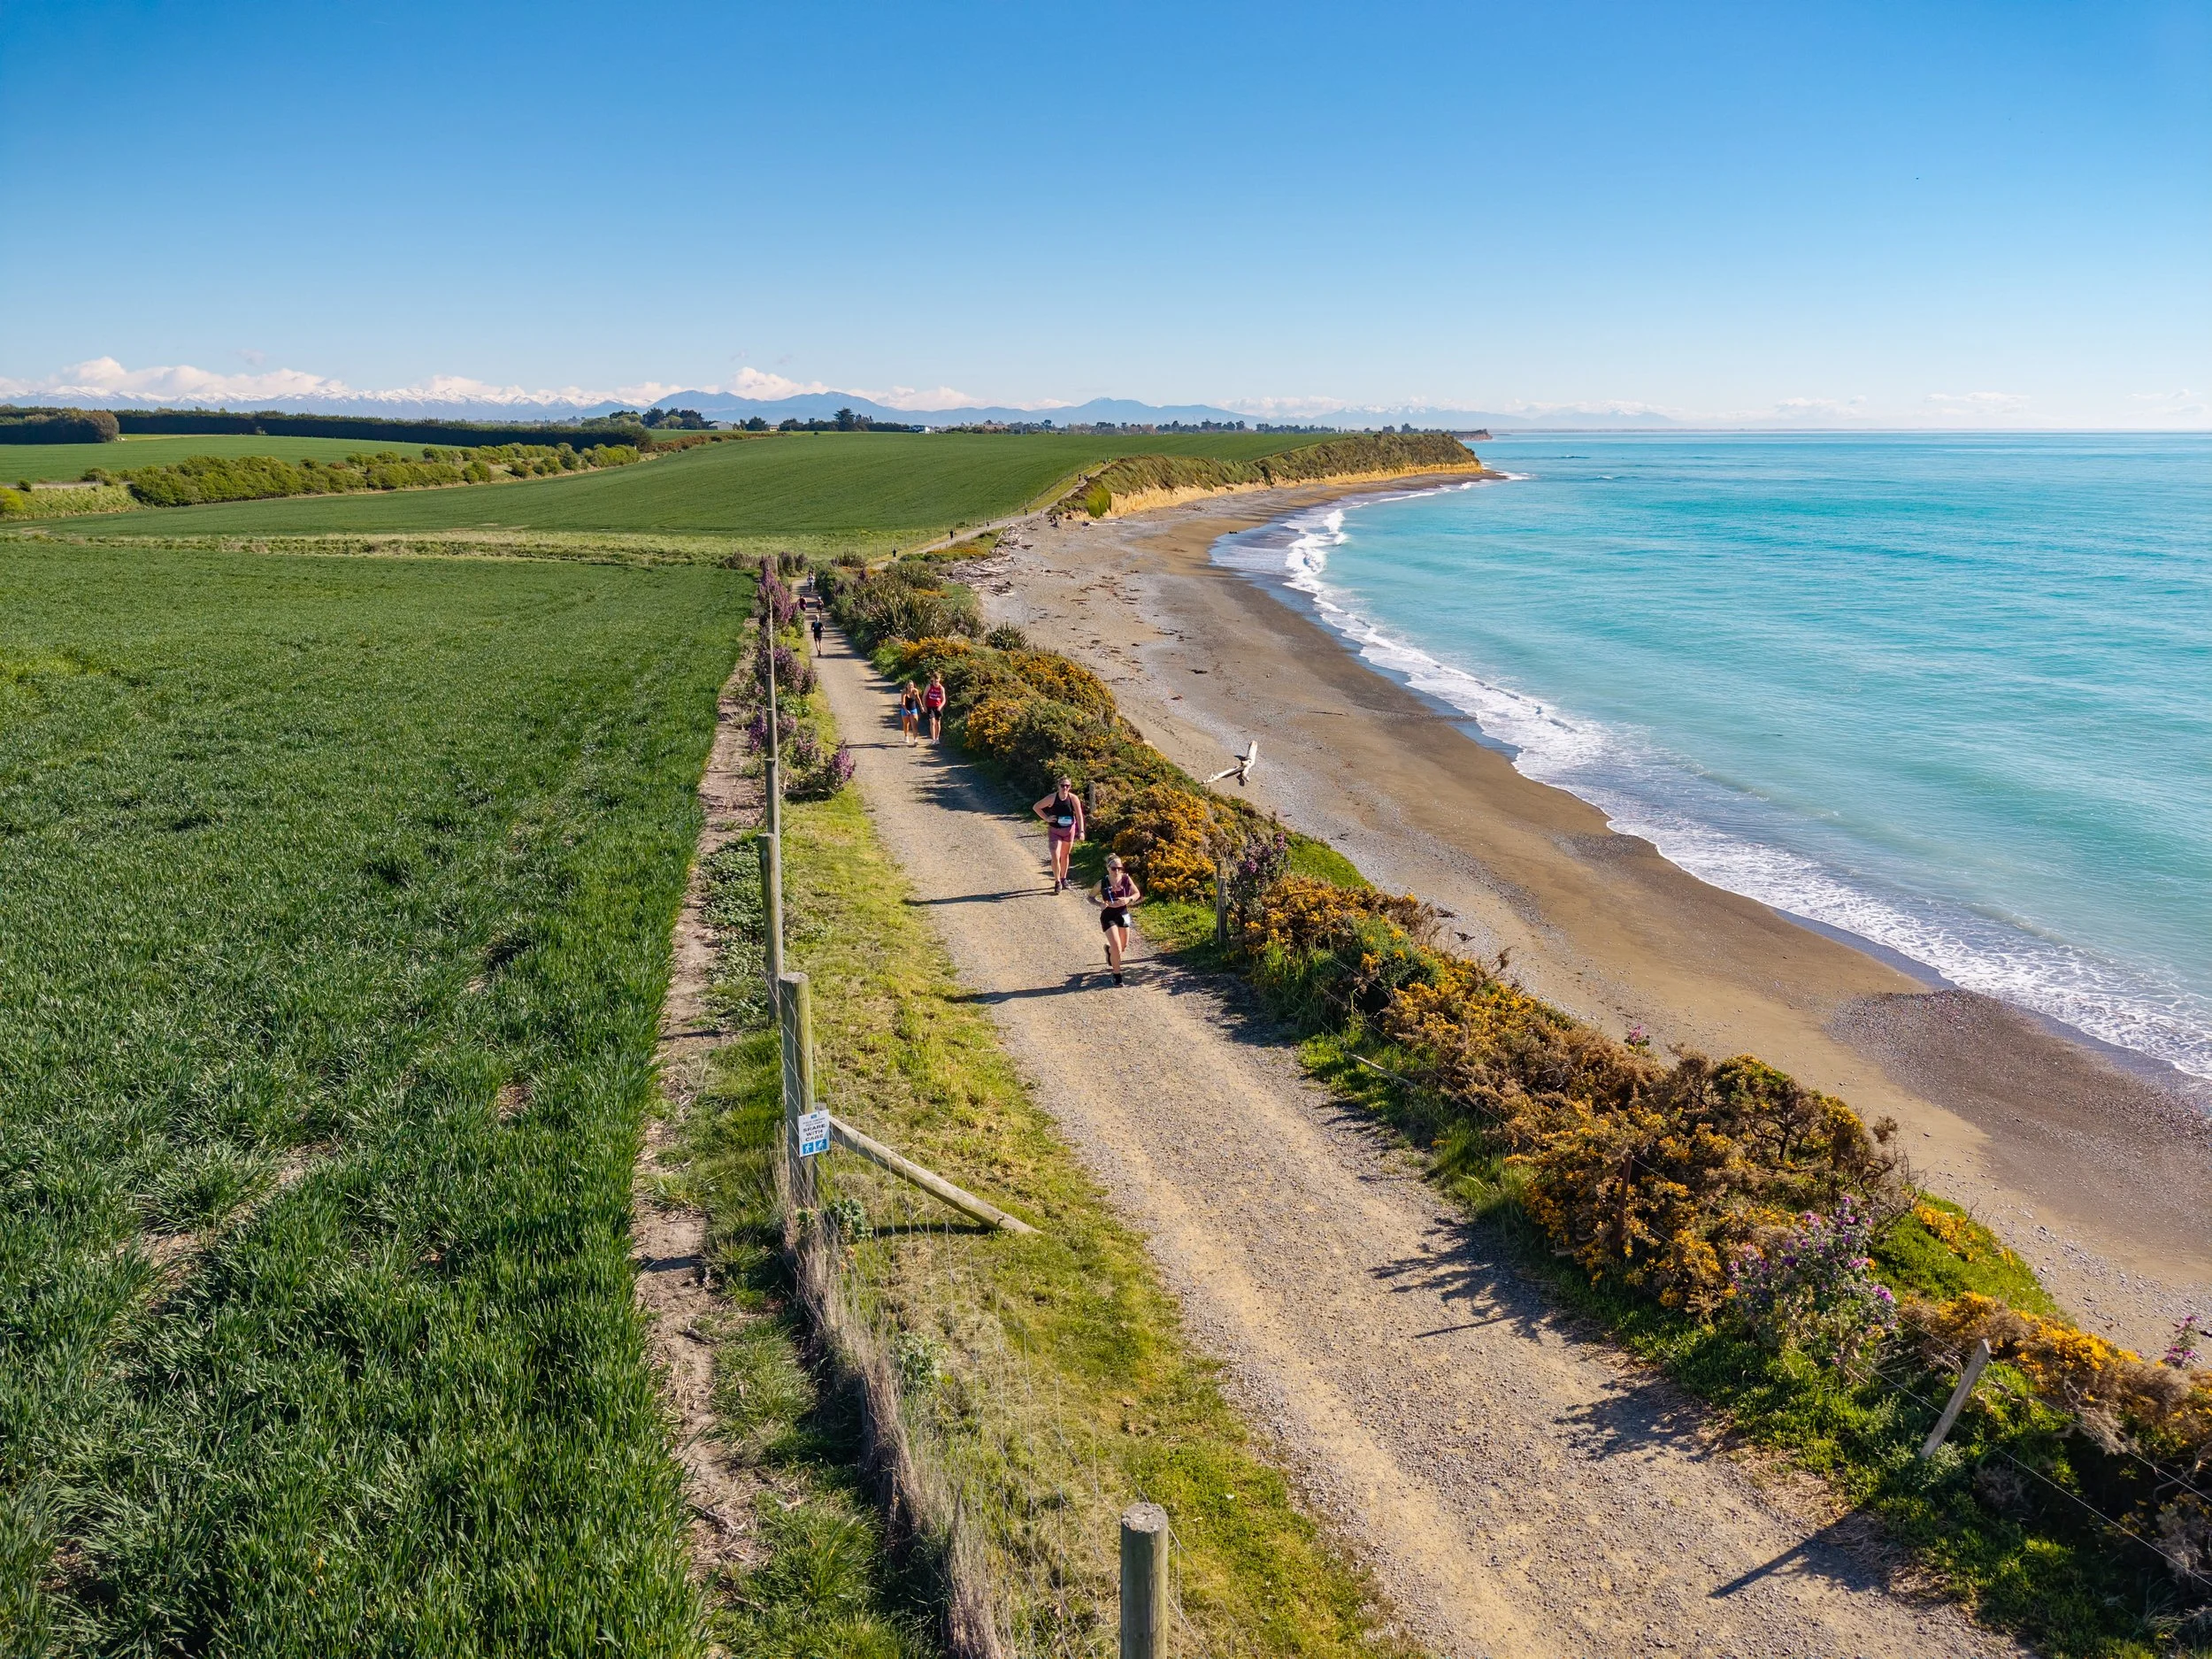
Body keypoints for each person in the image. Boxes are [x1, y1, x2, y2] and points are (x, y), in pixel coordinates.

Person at [1032, 777, 1084, 891]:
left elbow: (1079, 816)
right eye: (1063, 785)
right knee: (1055, 856)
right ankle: (1057, 882)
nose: (1065, 788)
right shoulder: (1051, 798)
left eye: (1067, 786)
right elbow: (1036, 807)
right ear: (1058, 786)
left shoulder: (1073, 798)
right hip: (1054, 831)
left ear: (1070, 787)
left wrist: (1081, 831)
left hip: (1069, 831)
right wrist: (1046, 818)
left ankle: (1064, 878)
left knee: (1065, 855)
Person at [1097, 854, 1141, 985]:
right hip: (1108, 916)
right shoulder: (1102, 882)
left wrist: (1128, 899)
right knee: (1117, 947)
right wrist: (1099, 904)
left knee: (1123, 947)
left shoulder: (1126, 879)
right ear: (1108, 868)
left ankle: (1109, 951)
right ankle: (1117, 976)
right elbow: (1090, 897)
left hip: (1124, 914)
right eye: (1113, 868)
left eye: (1119, 868)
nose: (1116, 871)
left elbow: (1137, 893)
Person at [923, 672, 947, 742]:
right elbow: (924, 696)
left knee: (938, 723)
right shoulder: (929, 686)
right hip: (930, 706)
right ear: (932, 679)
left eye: (938, 681)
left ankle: (937, 738)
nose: (936, 683)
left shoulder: (941, 688)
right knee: (932, 722)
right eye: (935, 681)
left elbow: (944, 699)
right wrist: (924, 706)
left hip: (938, 707)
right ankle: (933, 739)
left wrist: (940, 706)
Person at [898, 681, 922, 746]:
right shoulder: (904, 691)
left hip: (913, 710)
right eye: (909, 685)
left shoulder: (915, 691)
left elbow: (918, 699)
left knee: (914, 725)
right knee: (906, 724)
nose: (910, 686)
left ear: (913, 686)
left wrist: (921, 707)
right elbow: (903, 703)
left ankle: (915, 740)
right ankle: (906, 735)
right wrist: (906, 710)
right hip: (905, 709)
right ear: (906, 686)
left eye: (911, 685)